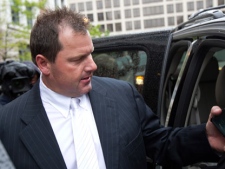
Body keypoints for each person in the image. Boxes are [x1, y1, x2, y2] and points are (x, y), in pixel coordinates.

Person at [0, 7, 225, 169]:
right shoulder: (6, 125)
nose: (93, 65)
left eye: (91, 53)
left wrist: (206, 138)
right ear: (43, 64)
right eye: (78, 59)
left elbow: (162, 145)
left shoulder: (122, 95)